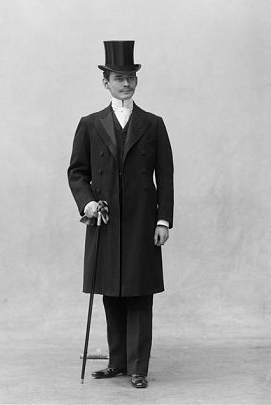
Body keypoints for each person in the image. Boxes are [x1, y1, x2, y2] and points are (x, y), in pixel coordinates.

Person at [68, 40, 174, 388]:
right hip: (106, 220)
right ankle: (118, 362)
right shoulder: (90, 123)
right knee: (111, 292)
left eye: (130, 77)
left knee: (139, 294)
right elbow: (77, 172)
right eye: (118, 78)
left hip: (143, 222)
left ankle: (138, 366)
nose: (126, 83)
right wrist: (87, 204)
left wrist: (163, 220)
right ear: (106, 82)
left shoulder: (153, 124)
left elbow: (166, 175)